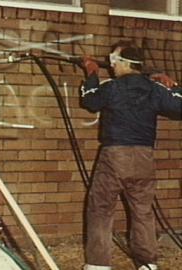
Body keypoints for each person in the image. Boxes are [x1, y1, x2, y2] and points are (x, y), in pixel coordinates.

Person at [80, 43, 182, 270]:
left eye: (114, 61)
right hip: (144, 157)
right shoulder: (155, 89)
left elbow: (90, 100)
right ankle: (147, 265)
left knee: (101, 208)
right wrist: (172, 84)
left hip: (115, 156)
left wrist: (92, 72)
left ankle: (98, 265)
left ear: (126, 63)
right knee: (143, 210)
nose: (112, 66)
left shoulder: (112, 88)